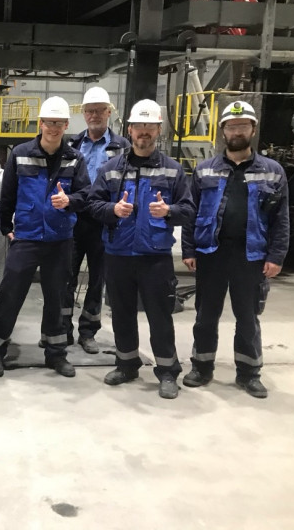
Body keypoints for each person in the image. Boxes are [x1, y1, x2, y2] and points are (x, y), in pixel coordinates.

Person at [85, 99, 195, 399]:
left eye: (150, 126)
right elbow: (93, 204)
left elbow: (188, 210)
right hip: (118, 254)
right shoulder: (111, 169)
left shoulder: (172, 170)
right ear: (130, 130)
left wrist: (169, 211)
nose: (144, 131)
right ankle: (126, 364)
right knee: (121, 314)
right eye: (139, 126)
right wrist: (112, 210)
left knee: (160, 316)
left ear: (158, 130)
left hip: (154, 257)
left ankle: (168, 372)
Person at [181, 100, 289, 399]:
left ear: (253, 129)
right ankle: (201, 367)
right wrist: (188, 249)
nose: (237, 131)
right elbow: (190, 212)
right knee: (205, 315)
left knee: (247, 317)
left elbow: (281, 218)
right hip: (211, 253)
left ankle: (249, 373)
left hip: (250, 255)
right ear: (223, 131)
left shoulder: (272, 171)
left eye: (242, 126)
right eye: (231, 126)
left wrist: (276, 256)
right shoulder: (205, 170)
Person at [0, 96, 91, 379]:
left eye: (59, 123)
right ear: (40, 123)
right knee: (10, 294)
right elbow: (7, 194)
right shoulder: (20, 154)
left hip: (60, 239)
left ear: (66, 125)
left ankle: (56, 353)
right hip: (27, 237)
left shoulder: (75, 158)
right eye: (49, 122)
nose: (53, 128)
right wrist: (5, 227)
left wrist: (69, 201)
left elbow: (86, 195)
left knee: (57, 298)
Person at [62, 86, 130, 354]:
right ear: (83, 113)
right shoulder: (72, 144)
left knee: (97, 279)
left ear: (109, 112)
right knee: (66, 276)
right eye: (89, 111)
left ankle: (88, 331)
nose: (94, 115)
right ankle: (63, 329)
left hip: (104, 219)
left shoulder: (122, 146)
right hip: (75, 218)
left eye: (99, 110)